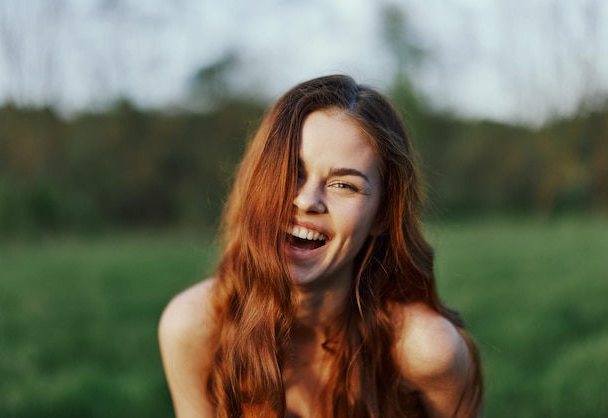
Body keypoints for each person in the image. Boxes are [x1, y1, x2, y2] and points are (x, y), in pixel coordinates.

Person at [159, 75, 482, 417]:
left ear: (382, 217)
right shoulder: (193, 327)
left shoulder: (427, 352)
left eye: (344, 185)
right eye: (291, 172)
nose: (306, 200)